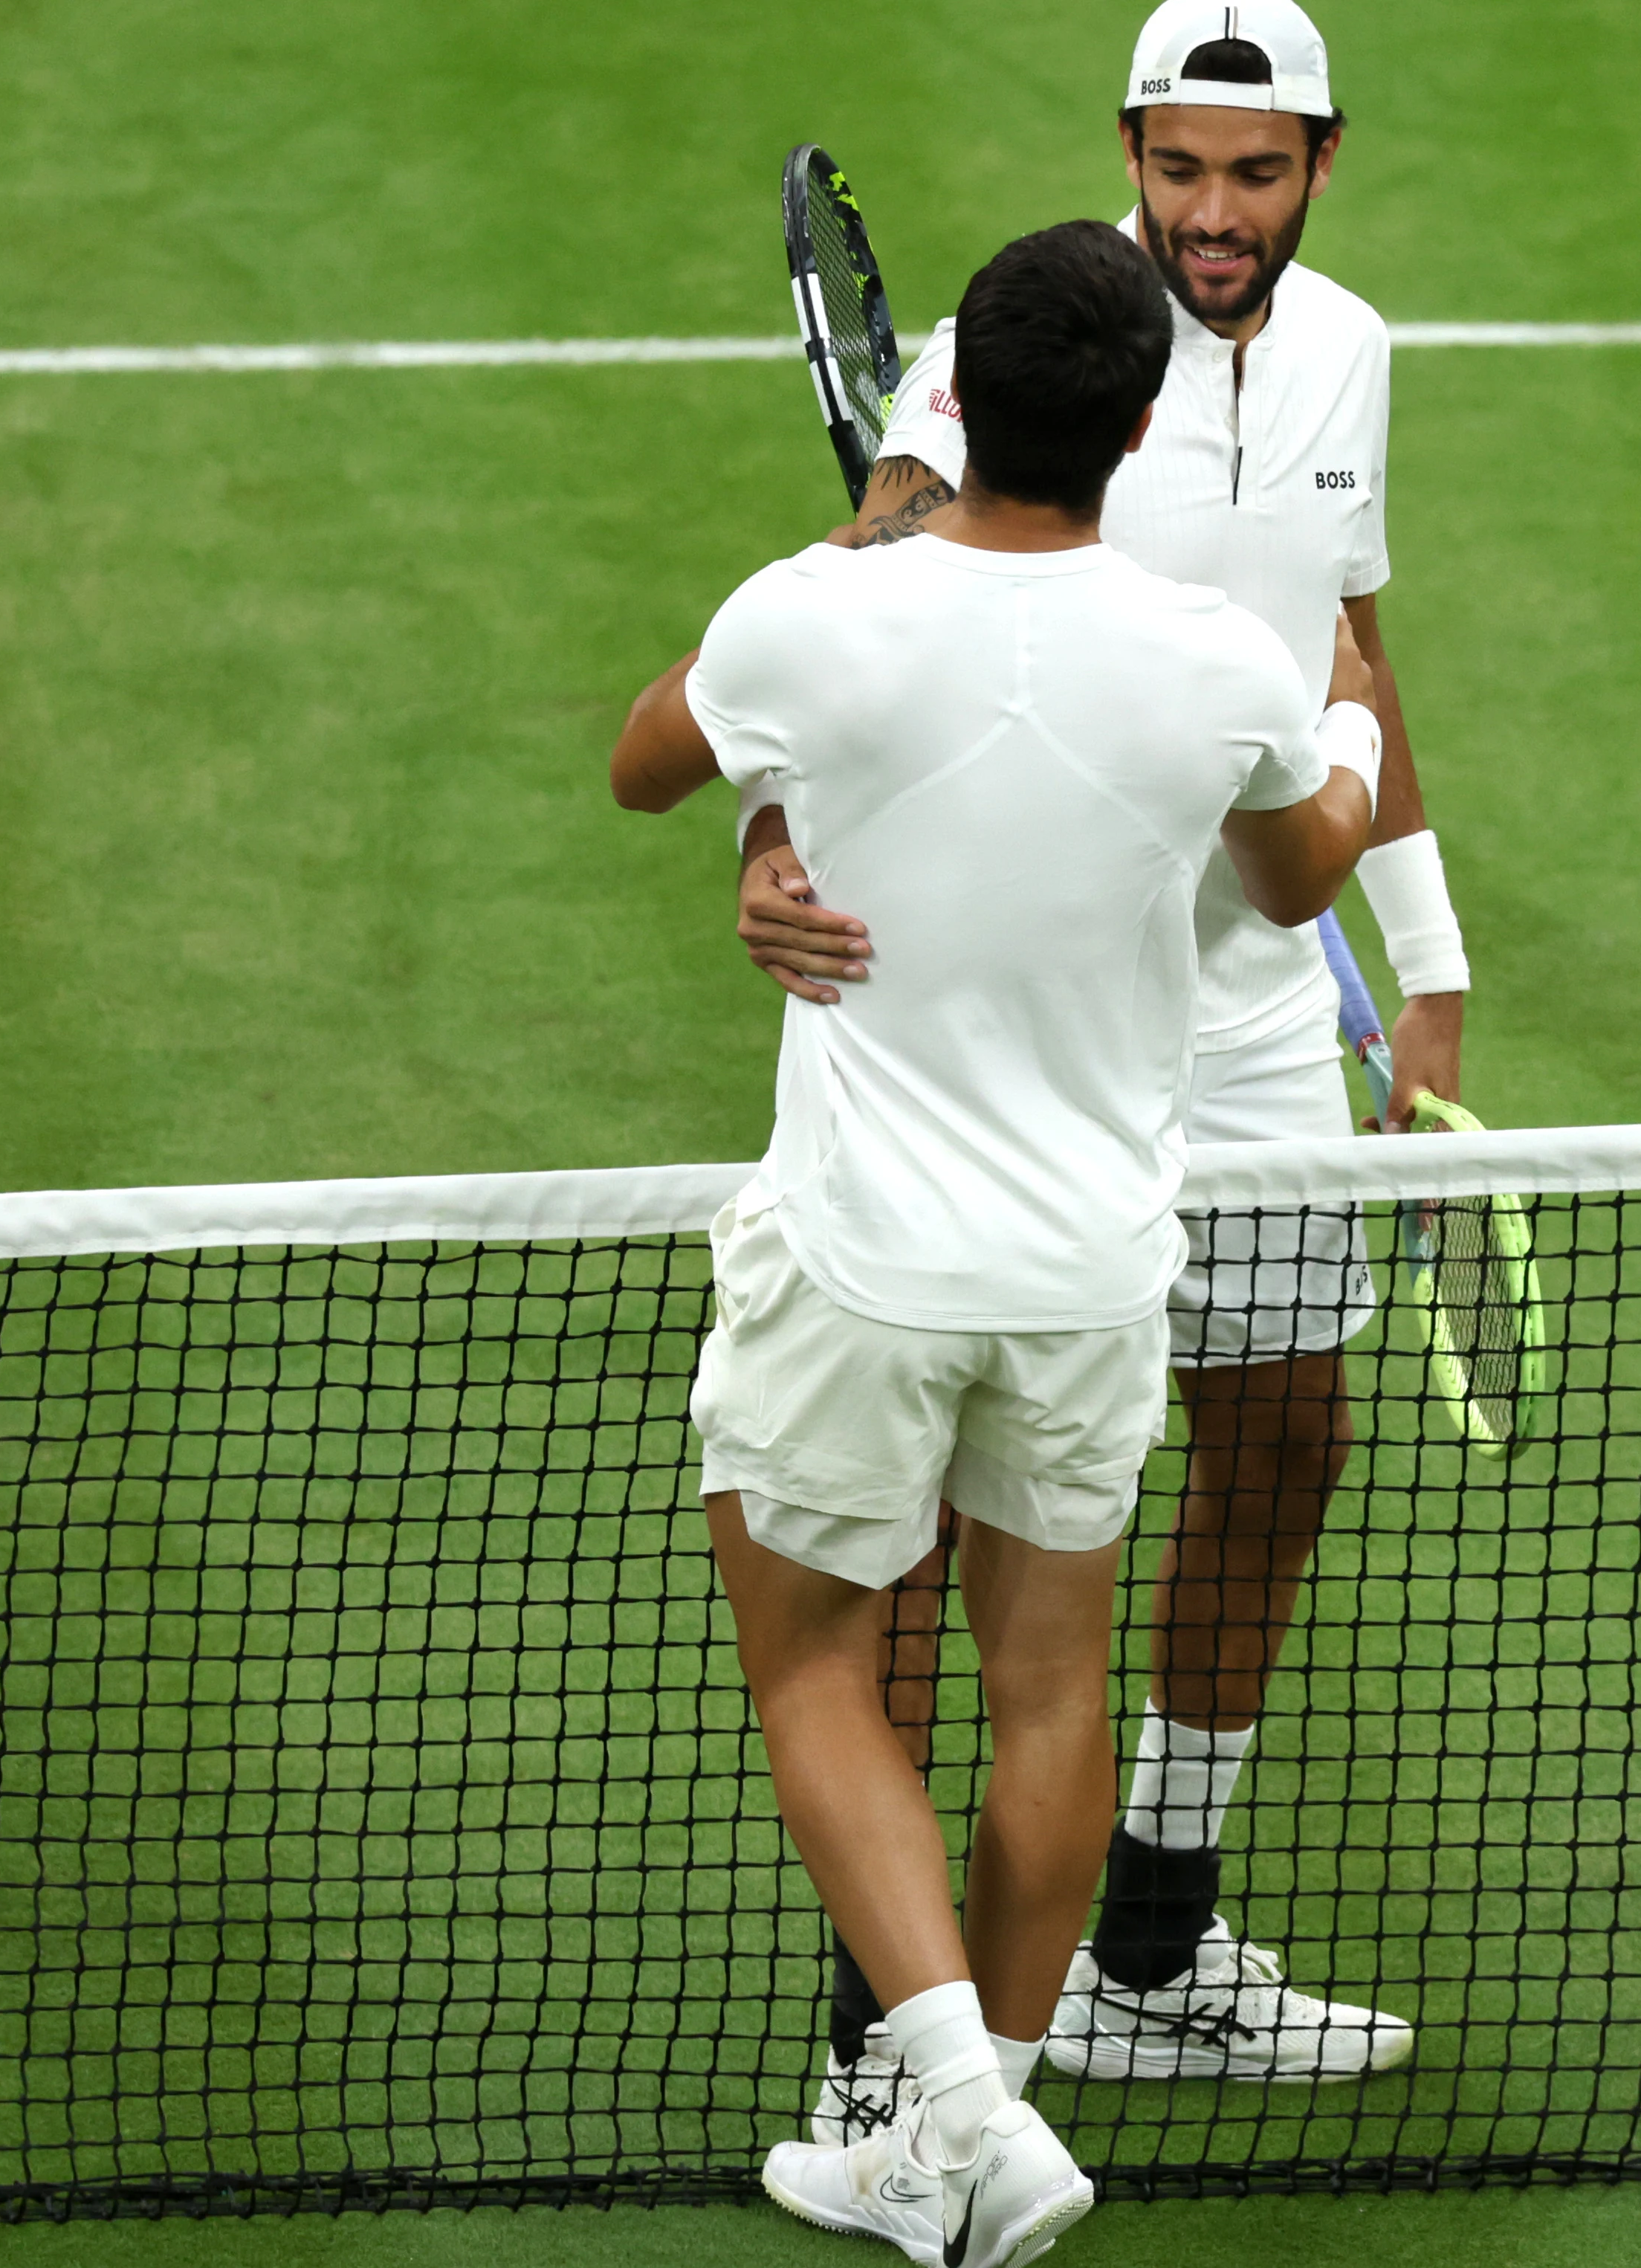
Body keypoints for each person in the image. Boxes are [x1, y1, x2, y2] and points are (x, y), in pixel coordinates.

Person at [609, 218, 1378, 2267]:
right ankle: (979, 2133)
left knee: (817, 1668)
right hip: (1091, 1274)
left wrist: (793, 753)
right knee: (1053, 1698)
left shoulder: (804, 613)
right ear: (1137, 424)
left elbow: (642, 763)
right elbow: (1309, 872)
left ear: (960, 407)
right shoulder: (1215, 662)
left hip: (861, 1263)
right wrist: (1359, 733)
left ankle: (951, 2110)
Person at [737, 0, 1465, 2129]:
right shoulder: (1002, 359)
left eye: (1251, 173)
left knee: (1289, 1434)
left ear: (1321, 165)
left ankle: (1153, 1937)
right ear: (1129, 154)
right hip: (1024, 1024)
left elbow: (1353, 646)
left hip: (1247, 1019)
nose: (1209, 214)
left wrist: (1422, 963)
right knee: (936, 1536)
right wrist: (775, 847)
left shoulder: (1354, 355)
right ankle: (891, 2041)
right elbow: (851, 602)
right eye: (1177, 167)